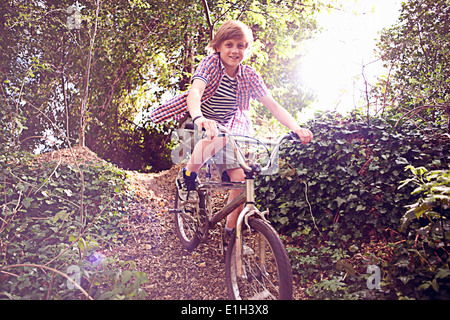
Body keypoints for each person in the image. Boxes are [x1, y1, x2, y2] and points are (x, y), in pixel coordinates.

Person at [150, 20, 313, 246]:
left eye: (241, 45)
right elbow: (195, 92)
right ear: (218, 47)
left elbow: (273, 106)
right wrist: (200, 118)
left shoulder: (249, 75)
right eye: (229, 44)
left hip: (223, 131)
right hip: (194, 124)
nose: (235, 50)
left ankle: (229, 233)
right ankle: (187, 176)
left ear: (247, 49)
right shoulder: (210, 64)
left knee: (239, 181)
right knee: (216, 134)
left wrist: (296, 128)